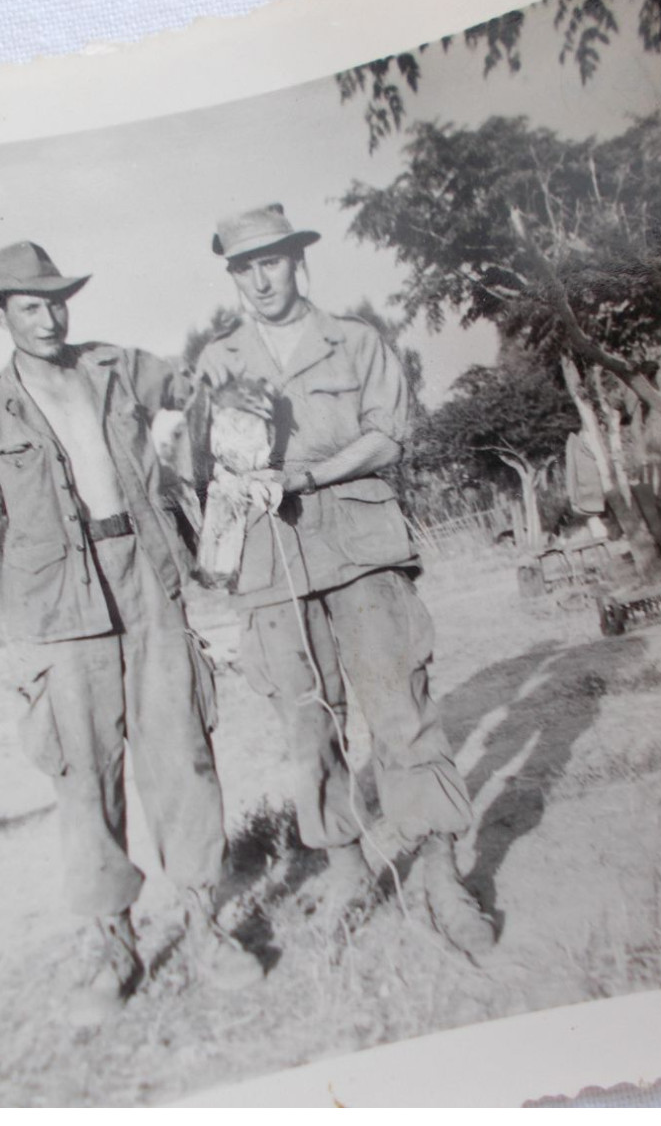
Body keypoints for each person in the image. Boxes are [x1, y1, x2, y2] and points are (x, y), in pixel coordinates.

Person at [0, 241, 262, 1025]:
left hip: (145, 573)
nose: (49, 317)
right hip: (56, 601)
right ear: (0, 314)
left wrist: (223, 390)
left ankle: (204, 922)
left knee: (181, 752)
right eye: (29, 305)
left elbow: (198, 385)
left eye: (57, 300)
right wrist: (15, 632)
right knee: (84, 775)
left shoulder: (117, 365)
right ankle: (112, 944)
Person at [191, 204, 496, 963]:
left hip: (359, 546)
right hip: (272, 563)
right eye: (245, 267)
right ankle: (346, 871)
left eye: (273, 262)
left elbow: (390, 435)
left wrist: (311, 472)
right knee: (307, 728)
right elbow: (209, 465)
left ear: (299, 262)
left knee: (401, 713)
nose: (262, 280)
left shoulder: (357, 341)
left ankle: (438, 872)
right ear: (233, 277)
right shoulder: (218, 363)